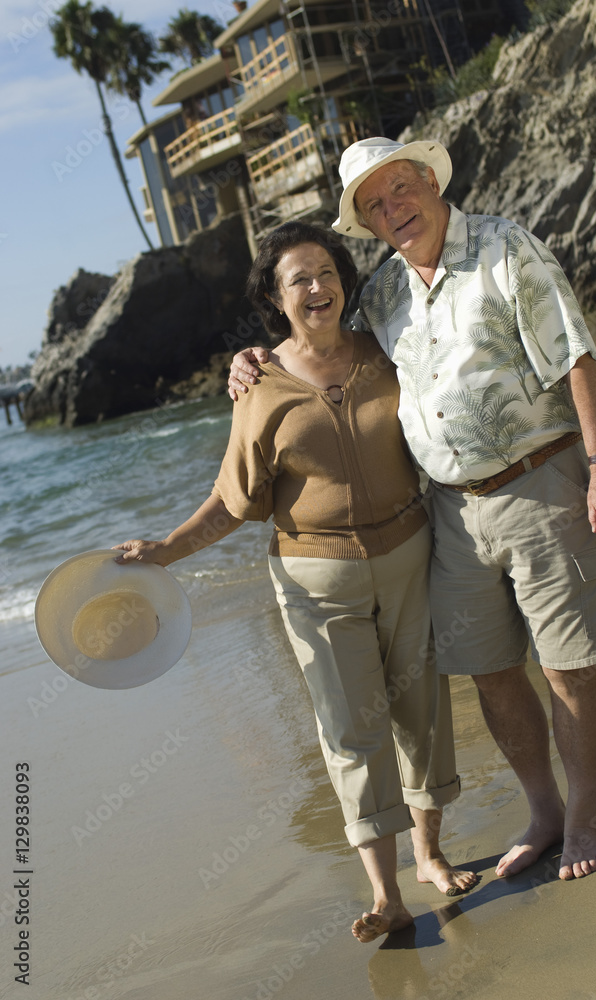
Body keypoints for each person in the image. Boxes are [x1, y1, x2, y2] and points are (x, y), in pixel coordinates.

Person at [228, 139, 596, 882]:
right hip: (450, 513)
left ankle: (583, 817)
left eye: (401, 189)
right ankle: (542, 811)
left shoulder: (505, 247)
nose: (394, 210)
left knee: (566, 666)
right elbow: (325, 346)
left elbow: (575, 353)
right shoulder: (383, 292)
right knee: (489, 670)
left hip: (540, 484)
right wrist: (255, 359)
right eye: (376, 206)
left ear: (428, 182)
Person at [114, 221, 477, 944]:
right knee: (350, 729)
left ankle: (430, 855)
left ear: (344, 279)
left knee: (422, 709)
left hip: (409, 554)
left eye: (326, 272)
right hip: (318, 579)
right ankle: (386, 894)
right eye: (298, 280)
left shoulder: (386, 349)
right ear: (276, 301)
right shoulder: (260, 384)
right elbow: (233, 499)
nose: (317, 288)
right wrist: (166, 550)